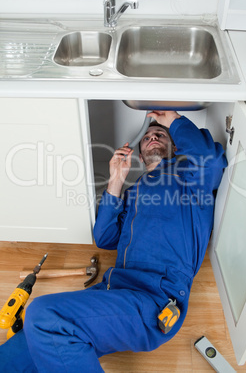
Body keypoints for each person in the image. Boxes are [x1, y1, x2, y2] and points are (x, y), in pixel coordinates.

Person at [0, 111, 227, 372]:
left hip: (154, 299)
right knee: (20, 347)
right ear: (140, 157)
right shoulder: (134, 192)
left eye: (160, 134)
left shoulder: (190, 179)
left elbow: (211, 160)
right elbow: (105, 237)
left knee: (45, 316)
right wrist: (116, 181)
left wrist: (172, 120)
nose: (152, 135)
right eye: (147, 136)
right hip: (114, 290)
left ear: (175, 147)